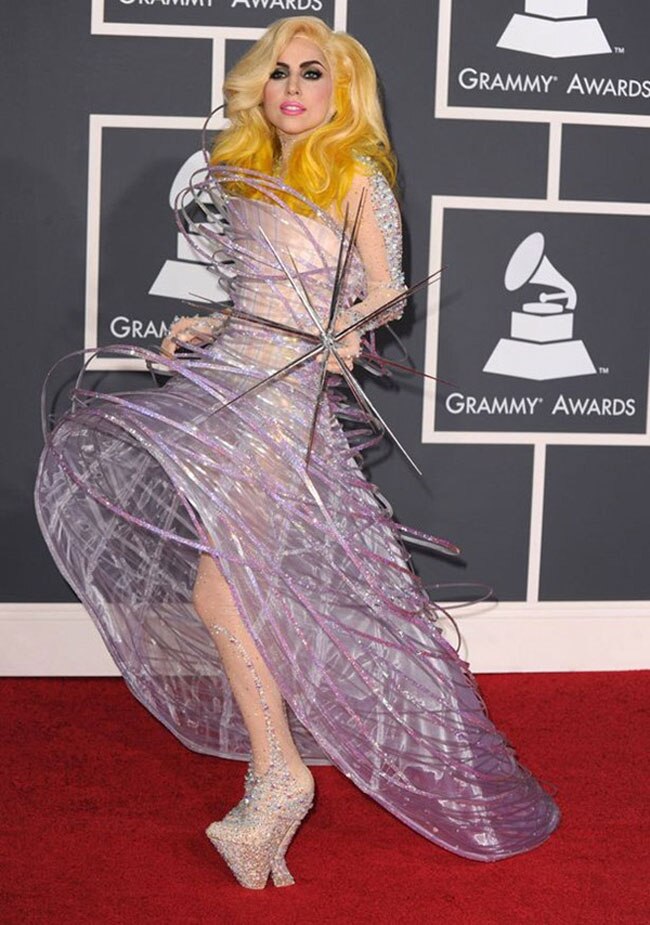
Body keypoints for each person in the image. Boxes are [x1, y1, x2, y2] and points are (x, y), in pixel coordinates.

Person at [35, 16, 560, 891]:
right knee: (230, 587)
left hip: (284, 404)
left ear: (341, 90)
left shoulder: (354, 173)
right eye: (279, 72)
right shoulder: (246, 172)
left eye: (312, 73)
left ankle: (279, 777)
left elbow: (387, 292)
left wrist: (344, 330)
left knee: (219, 587)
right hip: (227, 386)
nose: (292, 88)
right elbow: (259, 294)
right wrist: (211, 321)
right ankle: (277, 773)